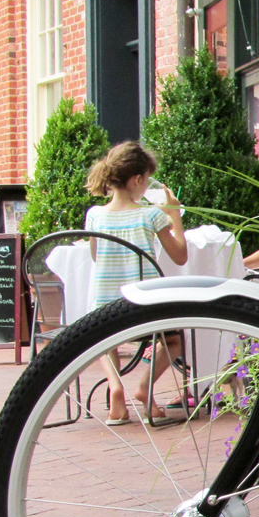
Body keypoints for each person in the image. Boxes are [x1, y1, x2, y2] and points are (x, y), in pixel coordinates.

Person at [83, 142, 188, 424]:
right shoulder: (150, 214)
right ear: (138, 180)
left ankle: (115, 387)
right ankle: (145, 387)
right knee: (175, 340)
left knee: (105, 343)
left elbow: (95, 255)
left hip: (106, 310)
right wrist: (174, 214)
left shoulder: (95, 215)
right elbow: (180, 256)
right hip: (144, 310)